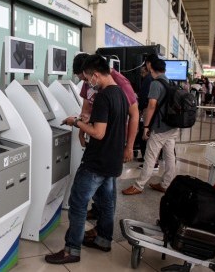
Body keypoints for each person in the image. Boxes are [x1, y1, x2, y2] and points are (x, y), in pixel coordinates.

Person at [45, 54, 129, 264]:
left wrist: (76, 123)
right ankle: (103, 240)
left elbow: (98, 133)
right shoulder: (120, 94)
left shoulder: (102, 96)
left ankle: (71, 250)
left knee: (78, 203)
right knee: (107, 203)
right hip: (112, 160)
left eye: (89, 77)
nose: (88, 82)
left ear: (97, 75)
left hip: (96, 162)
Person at [73, 53, 139, 222]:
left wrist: (129, 146)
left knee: (106, 188)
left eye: (86, 79)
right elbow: (86, 107)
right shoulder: (91, 82)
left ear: (93, 73)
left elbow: (134, 115)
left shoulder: (120, 84)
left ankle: (101, 226)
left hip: (111, 142)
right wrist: (82, 129)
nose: (86, 84)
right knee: (102, 187)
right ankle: (99, 219)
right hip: (96, 141)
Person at [122, 58, 179, 195]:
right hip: (172, 126)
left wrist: (146, 126)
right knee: (169, 156)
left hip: (160, 128)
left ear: (151, 67)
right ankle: (166, 184)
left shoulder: (155, 84)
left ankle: (139, 185)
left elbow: (151, 105)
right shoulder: (170, 82)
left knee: (150, 156)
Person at [136, 54, 160, 171]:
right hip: (157, 113)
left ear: (149, 64)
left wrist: (139, 109)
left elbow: (144, 98)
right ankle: (150, 161)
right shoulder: (159, 79)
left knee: (146, 136)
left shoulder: (149, 79)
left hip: (148, 111)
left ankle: (151, 163)